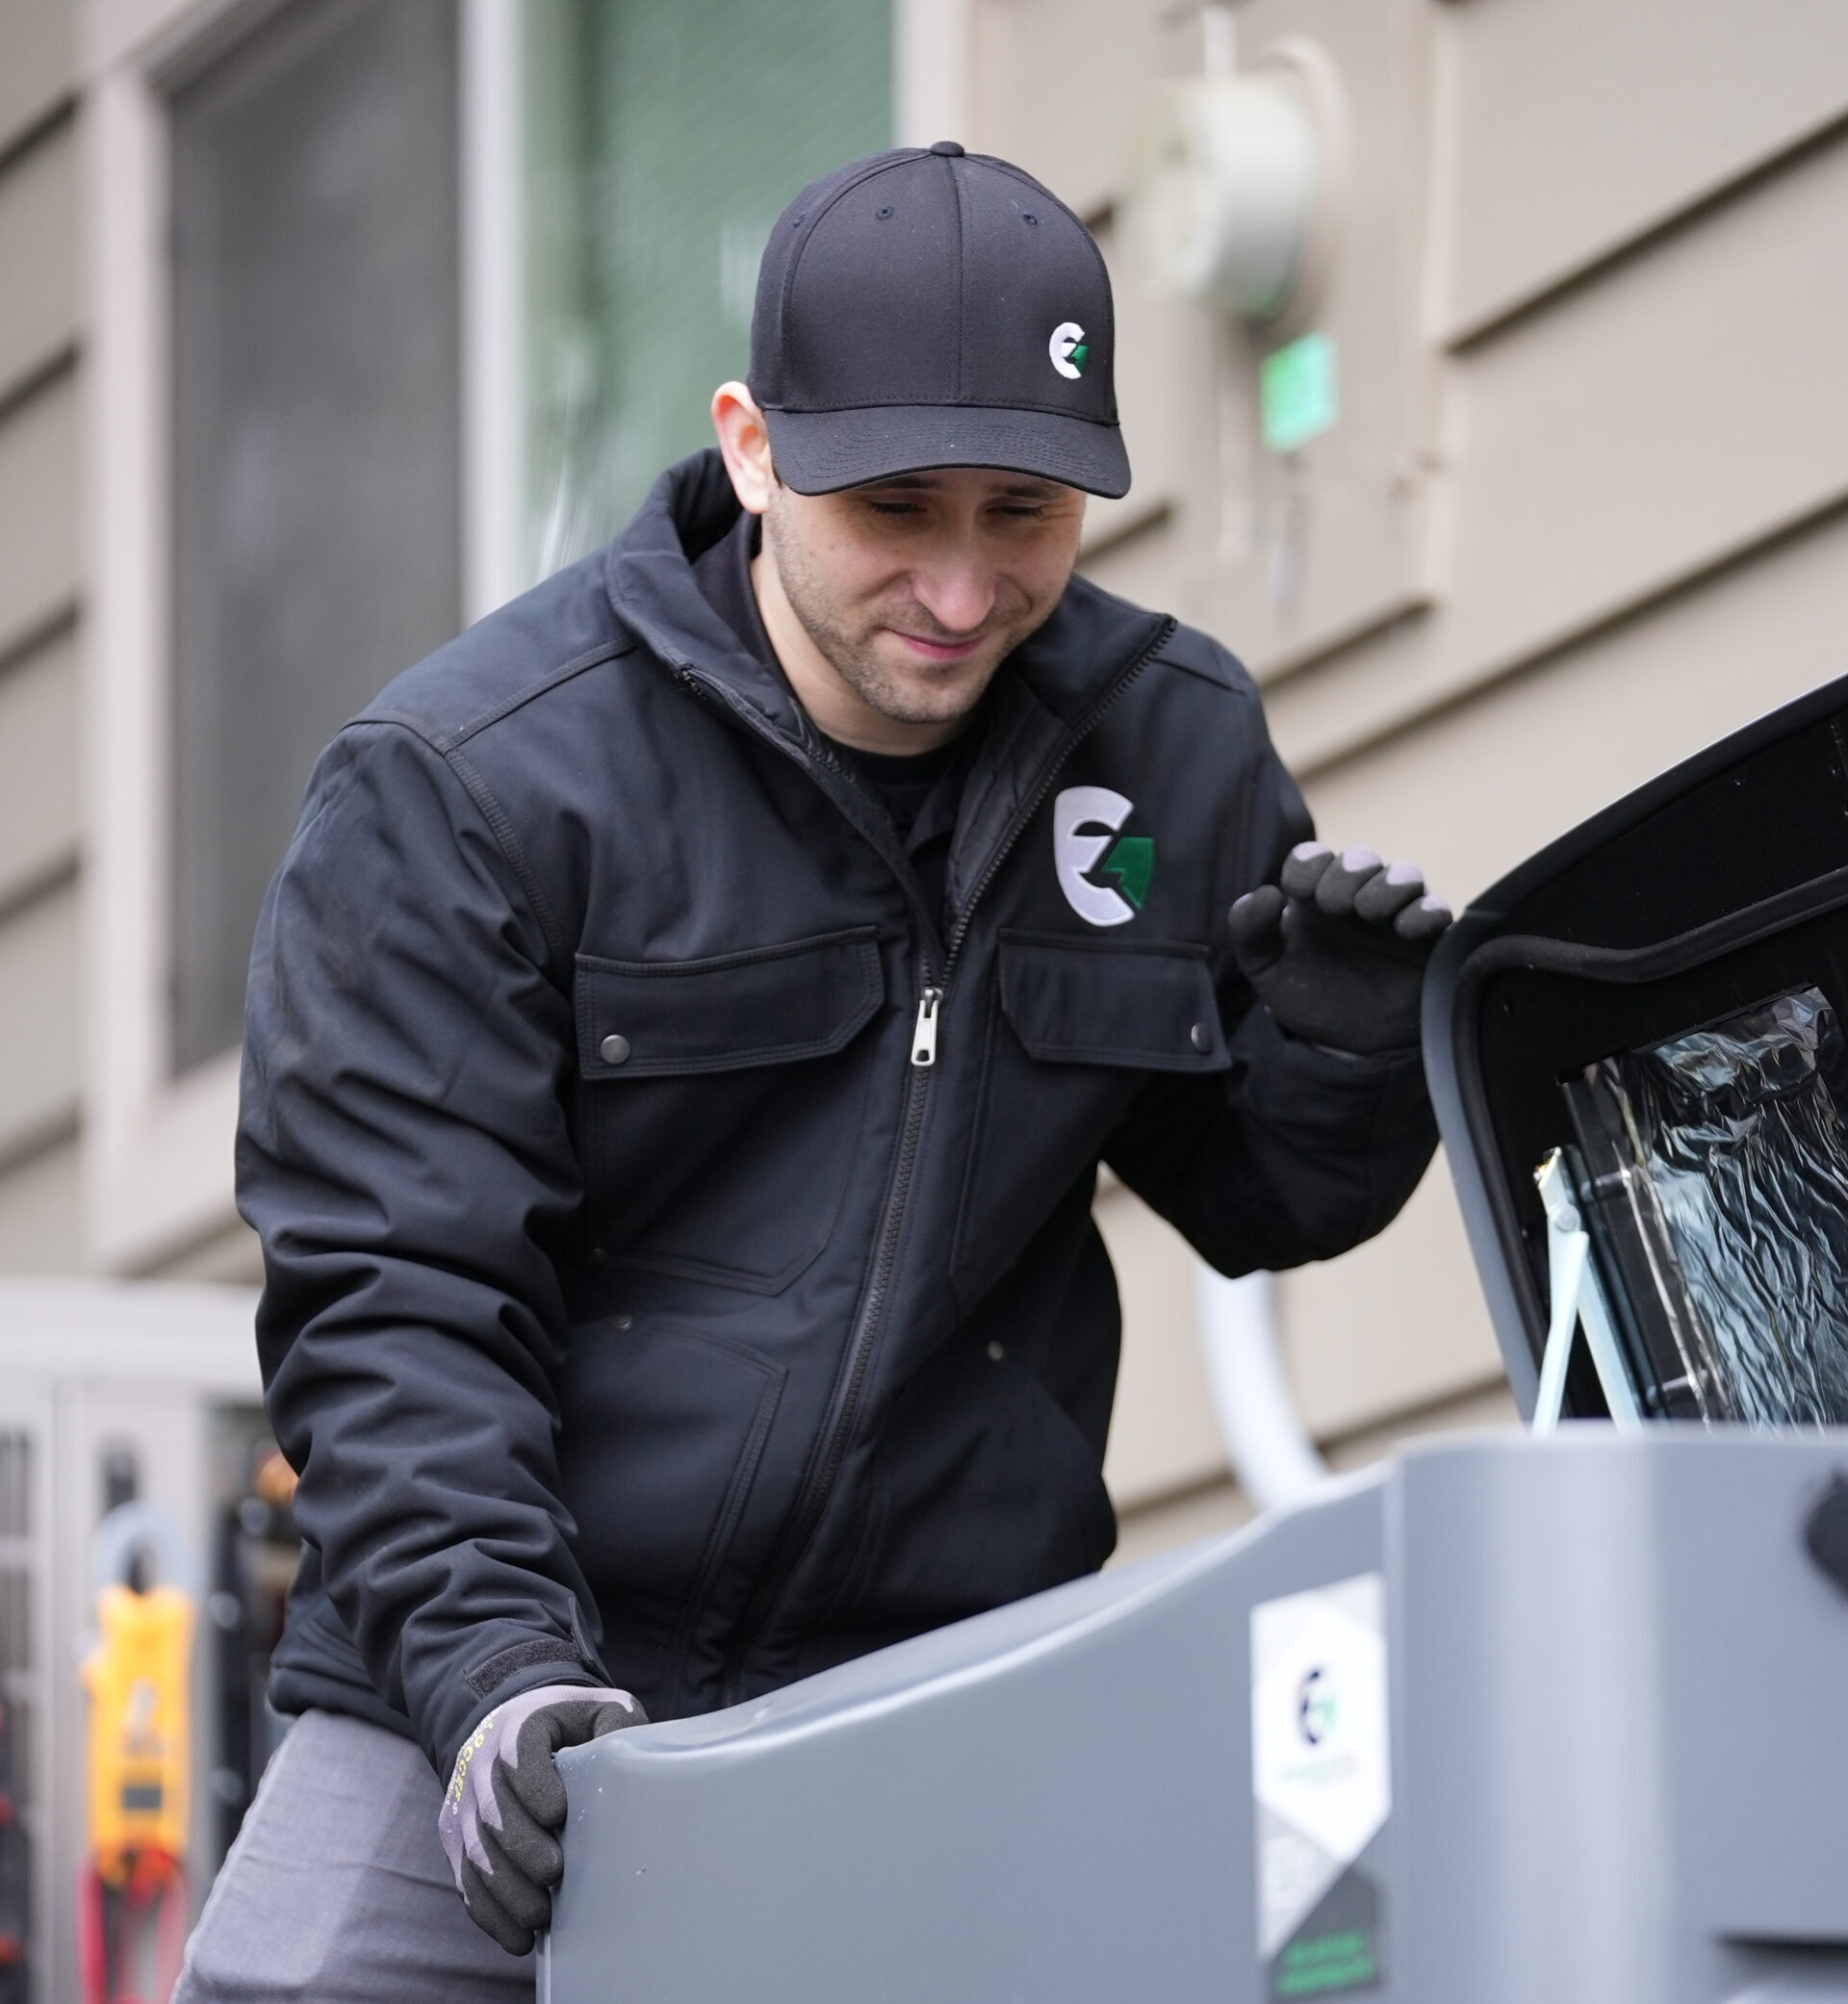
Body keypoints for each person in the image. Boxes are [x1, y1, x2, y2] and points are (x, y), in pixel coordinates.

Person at [175, 143, 1448, 2003]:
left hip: (928, 1709)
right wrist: (495, 1672)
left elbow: (1271, 1196)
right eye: (895, 505)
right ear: (756, 448)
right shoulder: (471, 785)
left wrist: (1348, 1046)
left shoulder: (1173, 752)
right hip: (484, 1689)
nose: (957, 583)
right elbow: (398, 1302)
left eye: (1021, 510)